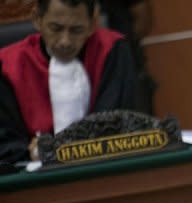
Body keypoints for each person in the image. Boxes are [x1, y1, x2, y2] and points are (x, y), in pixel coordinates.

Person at [0, 0, 137, 163]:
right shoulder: (7, 65)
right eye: (56, 29)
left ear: (93, 24)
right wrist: (32, 151)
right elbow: (5, 141)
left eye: (76, 30)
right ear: (37, 19)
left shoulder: (112, 51)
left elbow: (114, 126)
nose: (65, 41)